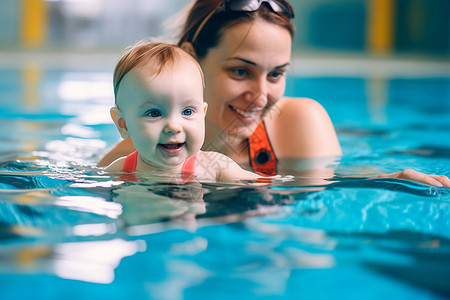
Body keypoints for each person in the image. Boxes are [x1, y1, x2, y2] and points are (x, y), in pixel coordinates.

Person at [99, 0, 450, 188]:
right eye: (241, 71)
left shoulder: (300, 122)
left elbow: (328, 185)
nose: (262, 96)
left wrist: (390, 179)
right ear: (193, 59)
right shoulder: (136, 149)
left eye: (277, 74)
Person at [106, 41, 262, 182]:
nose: (174, 127)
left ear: (203, 113)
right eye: (154, 113)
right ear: (123, 124)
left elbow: (267, 187)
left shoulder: (214, 168)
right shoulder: (120, 171)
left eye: (187, 111)